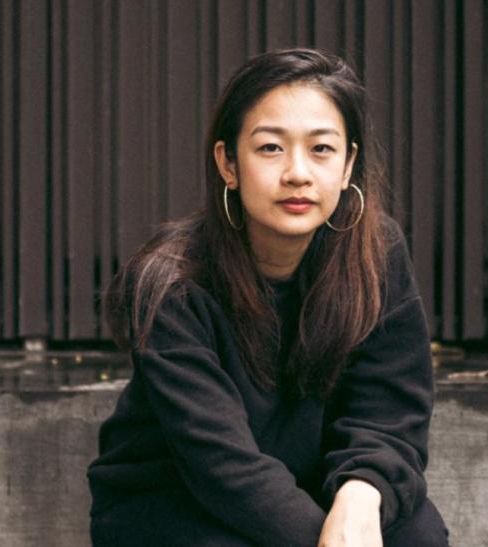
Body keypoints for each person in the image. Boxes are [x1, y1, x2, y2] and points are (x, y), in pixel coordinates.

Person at [87, 48, 448, 547]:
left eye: (321, 149)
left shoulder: (375, 253)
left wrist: (362, 493)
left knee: (416, 533)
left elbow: (389, 411)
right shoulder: (169, 282)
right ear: (228, 164)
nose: (297, 173)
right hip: (174, 499)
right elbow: (218, 463)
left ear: (348, 167)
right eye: (270, 148)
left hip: (312, 483)